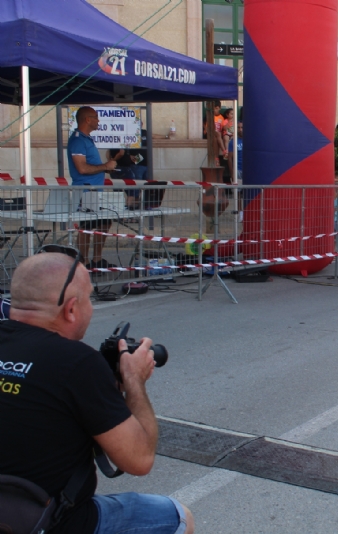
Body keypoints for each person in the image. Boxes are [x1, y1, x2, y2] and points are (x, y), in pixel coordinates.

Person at [0, 249, 194, 533]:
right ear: (70, 309)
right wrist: (133, 381)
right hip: (47, 523)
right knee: (178, 516)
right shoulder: (76, 363)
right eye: (88, 298)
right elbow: (139, 460)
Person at [68, 106, 117, 268]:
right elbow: (82, 168)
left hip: (95, 190)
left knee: (103, 222)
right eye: (96, 117)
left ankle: (96, 259)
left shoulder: (86, 139)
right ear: (87, 119)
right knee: (86, 226)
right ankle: (83, 261)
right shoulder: (77, 140)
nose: (98, 121)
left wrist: (106, 167)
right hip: (85, 190)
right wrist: (104, 166)